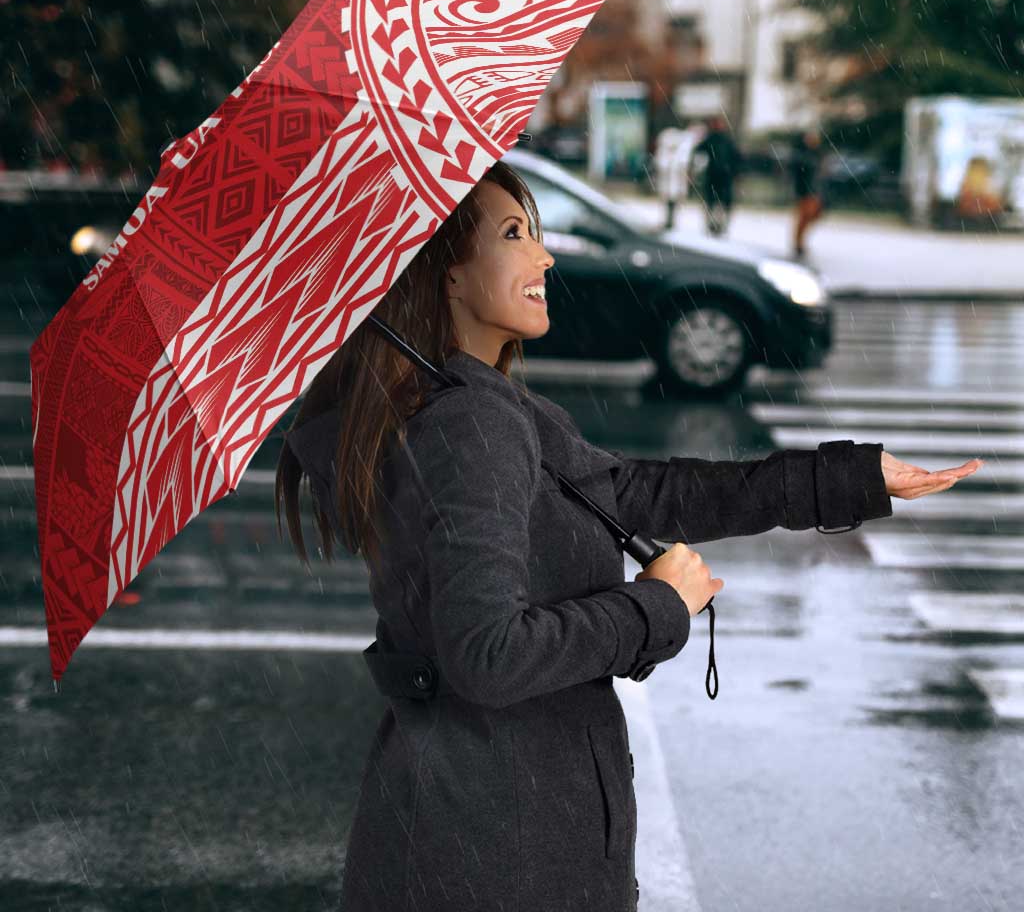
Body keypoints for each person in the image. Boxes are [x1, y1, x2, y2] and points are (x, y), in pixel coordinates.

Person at [276, 159, 982, 912]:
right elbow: (487, 655)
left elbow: (643, 493)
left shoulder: (478, 407)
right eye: (514, 234)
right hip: (497, 850)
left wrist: (849, 478)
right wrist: (655, 607)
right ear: (446, 274)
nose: (544, 256)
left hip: (478, 831)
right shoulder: (470, 424)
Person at [692, 114, 742, 237]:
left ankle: (719, 225)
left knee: (720, 203)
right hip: (715, 176)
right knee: (713, 202)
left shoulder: (725, 140)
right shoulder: (712, 139)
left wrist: (735, 172)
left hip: (723, 176)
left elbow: (736, 158)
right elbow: (698, 152)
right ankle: (713, 225)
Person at [790, 127, 826, 258]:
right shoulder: (802, 155)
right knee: (804, 217)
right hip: (805, 191)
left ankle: (799, 242)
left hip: (814, 191)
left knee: (812, 216)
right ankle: (798, 243)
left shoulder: (817, 154)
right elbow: (799, 174)